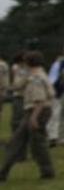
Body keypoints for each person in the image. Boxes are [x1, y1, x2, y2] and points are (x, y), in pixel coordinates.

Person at [0, 51, 56, 182]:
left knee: (37, 143)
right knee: (19, 141)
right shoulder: (35, 74)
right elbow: (18, 86)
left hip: (37, 111)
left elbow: (40, 100)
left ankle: (47, 171)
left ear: (28, 63)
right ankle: (3, 172)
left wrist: (34, 118)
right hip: (36, 111)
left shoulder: (35, 78)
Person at [8, 55, 30, 161]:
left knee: (19, 125)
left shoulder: (26, 71)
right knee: (16, 124)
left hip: (22, 98)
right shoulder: (18, 69)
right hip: (18, 98)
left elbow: (18, 85)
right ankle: (17, 152)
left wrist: (9, 87)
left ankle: (20, 154)